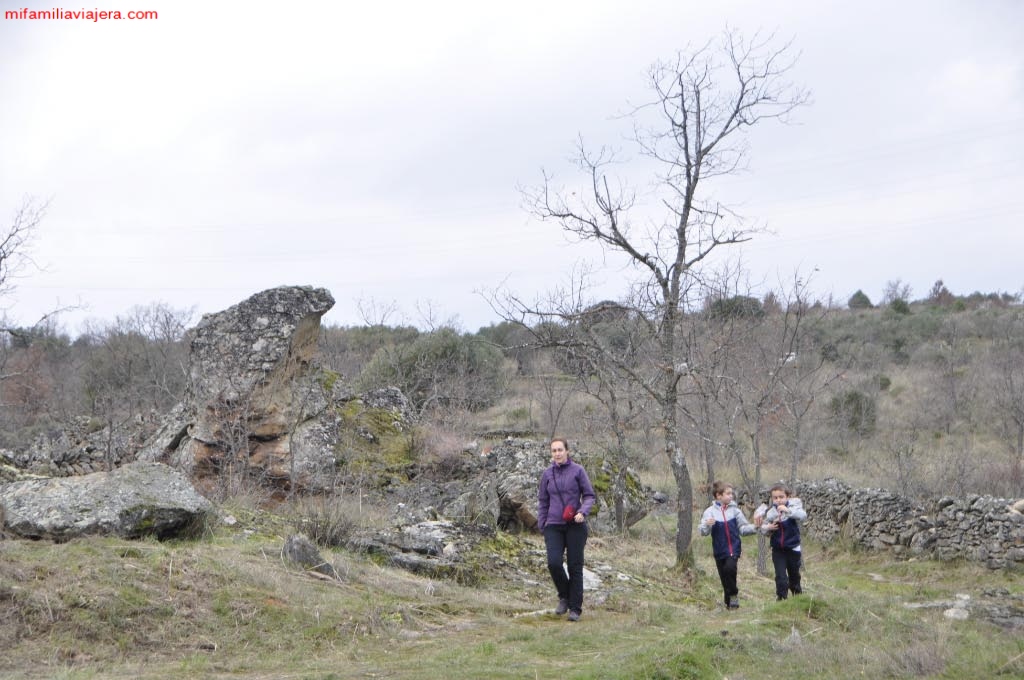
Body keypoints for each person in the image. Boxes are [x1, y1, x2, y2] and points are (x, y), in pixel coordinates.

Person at [537, 437, 596, 622]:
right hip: (553, 525)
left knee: (574, 566)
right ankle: (564, 596)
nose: (557, 454)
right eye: (554, 451)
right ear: (551, 453)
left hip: (575, 525)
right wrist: (542, 525)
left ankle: (575, 609)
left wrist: (582, 512)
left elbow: (589, 496)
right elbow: (543, 501)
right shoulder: (547, 474)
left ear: (567, 451)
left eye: (560, 450)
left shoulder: (578, 471)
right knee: (553, 563)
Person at [699, 480, 756, 610]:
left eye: (731, 494)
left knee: (730, 569)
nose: (731, 496)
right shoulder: (709, 512)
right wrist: (707, 524)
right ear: (718, 496)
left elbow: (743, 528)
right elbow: (703, 532)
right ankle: (729, 602)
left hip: (733, 548)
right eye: (728, 494)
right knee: (724, 575)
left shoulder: (735, 511)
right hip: (719, 550)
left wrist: (756, 527)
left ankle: (734, 594)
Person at [759, 483, 807, 600]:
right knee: (781, 577)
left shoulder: (794, 508)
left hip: (793, 549)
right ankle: (781, 599)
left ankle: (798, 597)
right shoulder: (771, 513)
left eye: (781, 497)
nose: (779, 500)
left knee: (794, 576)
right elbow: (763, 529)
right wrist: (768, 528)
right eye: (775, 498)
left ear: (787, 497)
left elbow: (803, 516)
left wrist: (788, 511)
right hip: (778, 550)